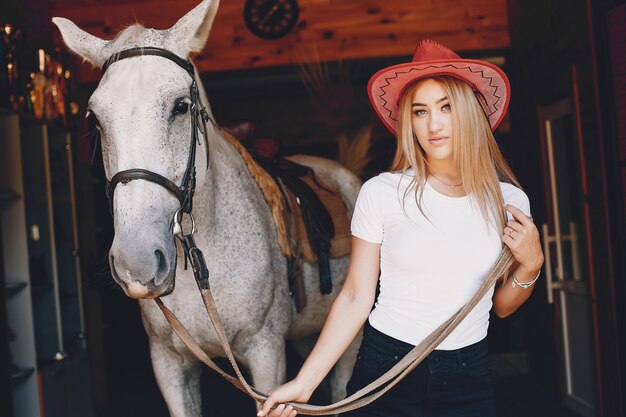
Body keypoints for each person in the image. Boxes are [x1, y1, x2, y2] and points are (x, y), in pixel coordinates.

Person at [257, 39, 544, 417]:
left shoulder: (509, 202)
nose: (434, 124)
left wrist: (532, 266)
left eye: (446, 107)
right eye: (420, 111)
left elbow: (501, 307)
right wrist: (305, 383)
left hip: (468, 375)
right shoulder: (382, 193)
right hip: (386, 367)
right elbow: (356, 296)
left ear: (471, 112)